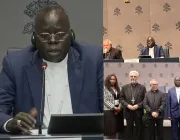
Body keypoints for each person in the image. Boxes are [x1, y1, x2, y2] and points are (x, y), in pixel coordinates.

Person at [0, 5, 103, 134]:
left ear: (71, 36)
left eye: (60, 34)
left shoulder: (93, 60)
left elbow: (108, 110)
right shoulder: (15, 64)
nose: (53, 41)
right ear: (34, 39)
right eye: (45, 35)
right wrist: (9, 123)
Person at [120, 70, 146, 140]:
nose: (133, 78)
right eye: (131, 76)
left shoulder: (142, 87)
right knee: (129, 129)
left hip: (138, 111)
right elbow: (121, 99)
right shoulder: (124, 87)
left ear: (137, 77)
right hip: (128, 111)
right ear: (129, 77)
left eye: (135, 76)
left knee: (139, 129)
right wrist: (127, 105)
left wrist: (138, 105)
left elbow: (145, 100)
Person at [104, 74, 124, 139]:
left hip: (118, 111)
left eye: (114, 79)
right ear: (108, 80)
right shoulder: (104, 88)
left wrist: (119, 107)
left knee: (117, 129)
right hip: (109, 111)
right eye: (111, 79)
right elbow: (104, 100)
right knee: (110, 130)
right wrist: (113, 107)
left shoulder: (118, 88)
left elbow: (121, 98)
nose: (113, 81)